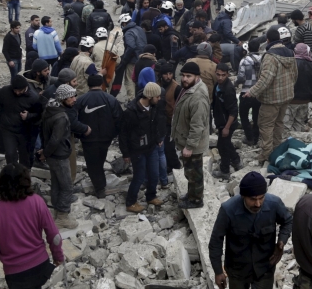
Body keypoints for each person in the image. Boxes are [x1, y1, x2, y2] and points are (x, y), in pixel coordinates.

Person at [0, 164, 65, 289]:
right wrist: (58, 257)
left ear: (0, 183)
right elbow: (54, 236)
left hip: (17, 275)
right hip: (42, 268)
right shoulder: (37, 201)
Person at [209, 172, 293, 289]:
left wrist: (281, 242)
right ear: (243, 196)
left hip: (264, 267)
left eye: (261, 198)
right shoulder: (228, 210)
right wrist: (218, 271)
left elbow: (288, 221)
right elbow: (215, 242)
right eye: (253, 199)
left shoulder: (274, 204)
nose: (258, 203)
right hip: (237, 270)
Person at [40, 84, 90, 228]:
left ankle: (56, 212)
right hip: (59, 155)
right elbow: (56, 139)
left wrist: (45, 152)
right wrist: (45, 153)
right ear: (63, 99)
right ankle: (62, 216)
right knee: (67, 186)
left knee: (56, 183)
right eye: (71, 97)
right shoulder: (61, 117)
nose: (74, 99)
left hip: (53, 155)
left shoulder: (50, 109)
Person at [243, 28, 297, 163]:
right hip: (286, 96)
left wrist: (252, 92)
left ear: (268, 40)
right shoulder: (290, 53)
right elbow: (295, 74)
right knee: (279, 123)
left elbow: (265, 78)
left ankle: (266, 154)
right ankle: (277, 150)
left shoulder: (270, 56)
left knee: (266, 125)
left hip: (271, 99)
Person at [120, 82, 167, 212]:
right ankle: (130, 202)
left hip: (151, 147)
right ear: (150, 97)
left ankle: (151, 196)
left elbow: (155, 124)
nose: (159, 98)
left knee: (154, 174)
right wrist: (125, 153)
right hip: (137, 150)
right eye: (157, 96)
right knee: (139, 176)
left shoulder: (153, 107)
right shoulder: (131, 112)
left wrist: (158, 138)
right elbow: (123, 134)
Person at [75, 74, 123, 198]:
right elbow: (119, 119)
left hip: (87, 139)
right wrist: (113, 134)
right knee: (100, 159)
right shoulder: (110, 99)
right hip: (105, 138)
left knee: (92, 163)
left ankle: (99, 187)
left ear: (88, 84)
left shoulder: (80, 100)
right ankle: (100, 185)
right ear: (102, 84)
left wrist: (80, 134)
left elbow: (73, 120)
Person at [173, 62, 212, 209]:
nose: (184, 79)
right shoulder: (190, 89)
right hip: (188, 141)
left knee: (194, 173)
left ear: (197, 77)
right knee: (190, 172)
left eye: (188, 76)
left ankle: (196, 200)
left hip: (193, 145)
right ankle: (191, 194)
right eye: (183, 75)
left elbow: (197, 126)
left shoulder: (198, 97)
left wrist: (189, 146)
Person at [0, 75, 43, 168]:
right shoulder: (5, 91)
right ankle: (11, 173)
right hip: (8, 129)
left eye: (19, 90)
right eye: (15, 90)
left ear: (25, 87)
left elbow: (39, 114)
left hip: (25, 131)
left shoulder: (33, 97)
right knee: (10, 154)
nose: (17, 93)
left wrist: (28, 116)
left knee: (24, 157)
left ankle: (23, 175)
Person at [211, 63, 241, 179]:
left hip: (227, 122)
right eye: (218, 74)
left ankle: (225, 171)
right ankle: (236, 161)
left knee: (222, 146)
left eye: (223, 75)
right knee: (226, 143)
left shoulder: (228, 89)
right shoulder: (217, 85)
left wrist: (227, 127)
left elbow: (233, 111)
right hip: (221, 120)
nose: (220, 77)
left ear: (227, 74)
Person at [236, 40, 262, 146]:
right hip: (258, 92)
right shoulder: (263, 60)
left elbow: (241, 77)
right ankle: (256, 137)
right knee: (257, 116)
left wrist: (236, 83)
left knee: (244, 115)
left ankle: (249, 137)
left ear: (248, 48)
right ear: (259, 48)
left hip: (245, 92)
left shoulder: (244, 60)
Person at [288, 44, 312, 129]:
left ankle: (287, 141)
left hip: (291, 100)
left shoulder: (291, 64)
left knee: (286, 126)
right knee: (299, 124)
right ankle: (297, 141)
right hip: (305, 100)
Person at [119, 13, 148, 102]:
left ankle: (131, 100)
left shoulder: (128, 32)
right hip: (143, 58)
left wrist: (124, 60)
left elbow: (131, 47)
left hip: (133, 60)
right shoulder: (139, 28)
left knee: (130, 80)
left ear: (124, 23)